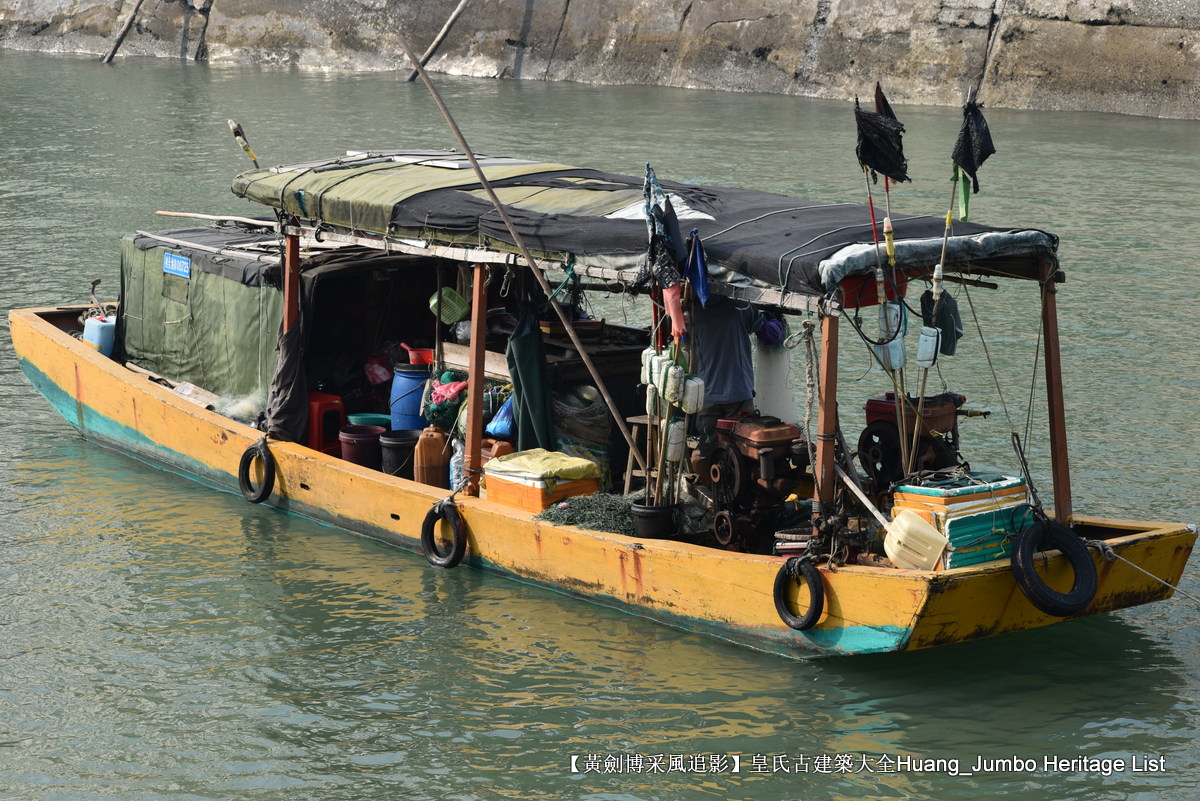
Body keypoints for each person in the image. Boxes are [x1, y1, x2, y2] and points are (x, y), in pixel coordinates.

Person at [689, 295, 784, 466]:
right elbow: (771, 336)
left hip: (706, 395)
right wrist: (775, 320)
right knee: (741, 448)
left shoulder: (692, 313)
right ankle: (737, 487)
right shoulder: (741, 307)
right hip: (738, 393)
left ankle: (703, 481)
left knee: (706, 445)